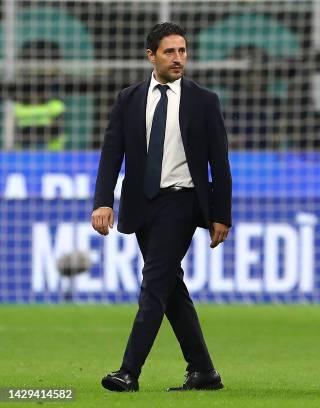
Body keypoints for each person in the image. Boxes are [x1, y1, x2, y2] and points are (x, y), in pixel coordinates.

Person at [91, 22, 232, 392]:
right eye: (170, 51)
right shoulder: (129, 98)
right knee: (170, 288)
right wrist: (103, 201)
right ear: (151, 55)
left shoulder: (204, 100)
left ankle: (128, 371)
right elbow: (111, 153)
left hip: (182, 202)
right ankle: (203, 371)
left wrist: (221, 214)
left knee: (153, 284)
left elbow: (220, 163)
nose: (178, 58)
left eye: (183, 51)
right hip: (142, 204)